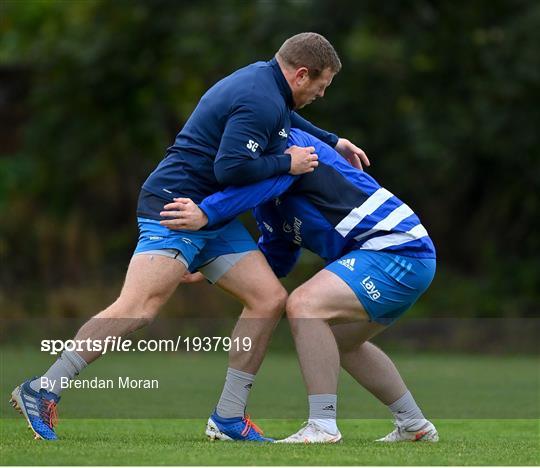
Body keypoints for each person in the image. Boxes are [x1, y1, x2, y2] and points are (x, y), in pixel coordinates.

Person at [10, 33, 368, 441]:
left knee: (268, 299)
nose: (319, 96)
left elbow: (285, 120)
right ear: (302, 74)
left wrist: (332, 141)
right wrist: (287, 161)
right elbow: (230, 169)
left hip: (210, 216)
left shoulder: (266, 83)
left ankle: (229, 417)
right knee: (138, 308)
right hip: (175, 208)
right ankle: (43, 388)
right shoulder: (261, 98)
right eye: (320, 88)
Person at [160, 128, 438, 443]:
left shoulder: (293, 149)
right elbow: (277, 259)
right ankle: (414, 425)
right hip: (398, 257)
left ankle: (323, 426)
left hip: (398, 249)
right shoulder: (267, 203)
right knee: (337, 341)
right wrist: (214, 270)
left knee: (305, 305)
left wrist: (206, 213)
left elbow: (271, 158)